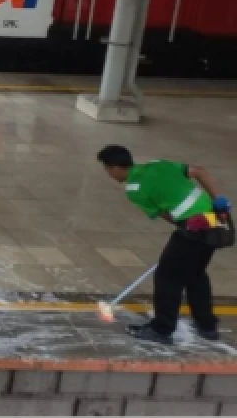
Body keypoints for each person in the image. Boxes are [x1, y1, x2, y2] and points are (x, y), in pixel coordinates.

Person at [97, 145, 230, 344]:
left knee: (167, 277)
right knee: (195, 274)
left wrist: (184, 225)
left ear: (116, 167)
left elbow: (164, 213)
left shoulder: (134, 188)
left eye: (107, 170)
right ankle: (207, 326)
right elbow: (199, 171)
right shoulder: (157, 164)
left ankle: (162, 330)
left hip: (194, 229)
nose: (109, 174)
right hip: (215, 221)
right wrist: (219, 201)